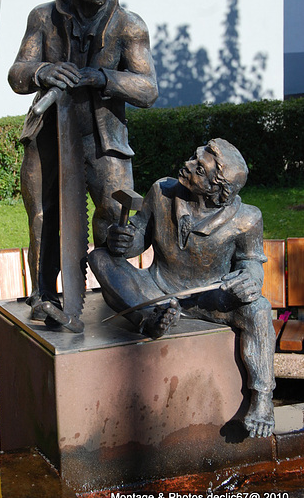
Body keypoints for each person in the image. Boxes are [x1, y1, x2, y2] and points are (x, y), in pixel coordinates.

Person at [8, 0, 158, 319]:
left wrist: (102, 77)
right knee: (43, 217)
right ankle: (44, 295)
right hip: (47, 136)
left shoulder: (129, 26)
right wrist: (42, 70)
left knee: (114, 214)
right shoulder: (43, 17)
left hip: (102, 141)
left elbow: (147, 89)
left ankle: (118, 295)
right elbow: (17, 74)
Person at [88, 139, 276, 438]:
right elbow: (139, 235)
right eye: (193, 157)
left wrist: (250, 281)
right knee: (100, 257)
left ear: (218, 190)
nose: (188, 165)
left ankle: (263, 399)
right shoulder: (162, 191)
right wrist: (122, 240)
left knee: (260, 309)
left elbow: (251, 262)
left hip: (212, 297)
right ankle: (151, 318)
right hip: (157, 290)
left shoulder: (246, 219)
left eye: (199, 168)